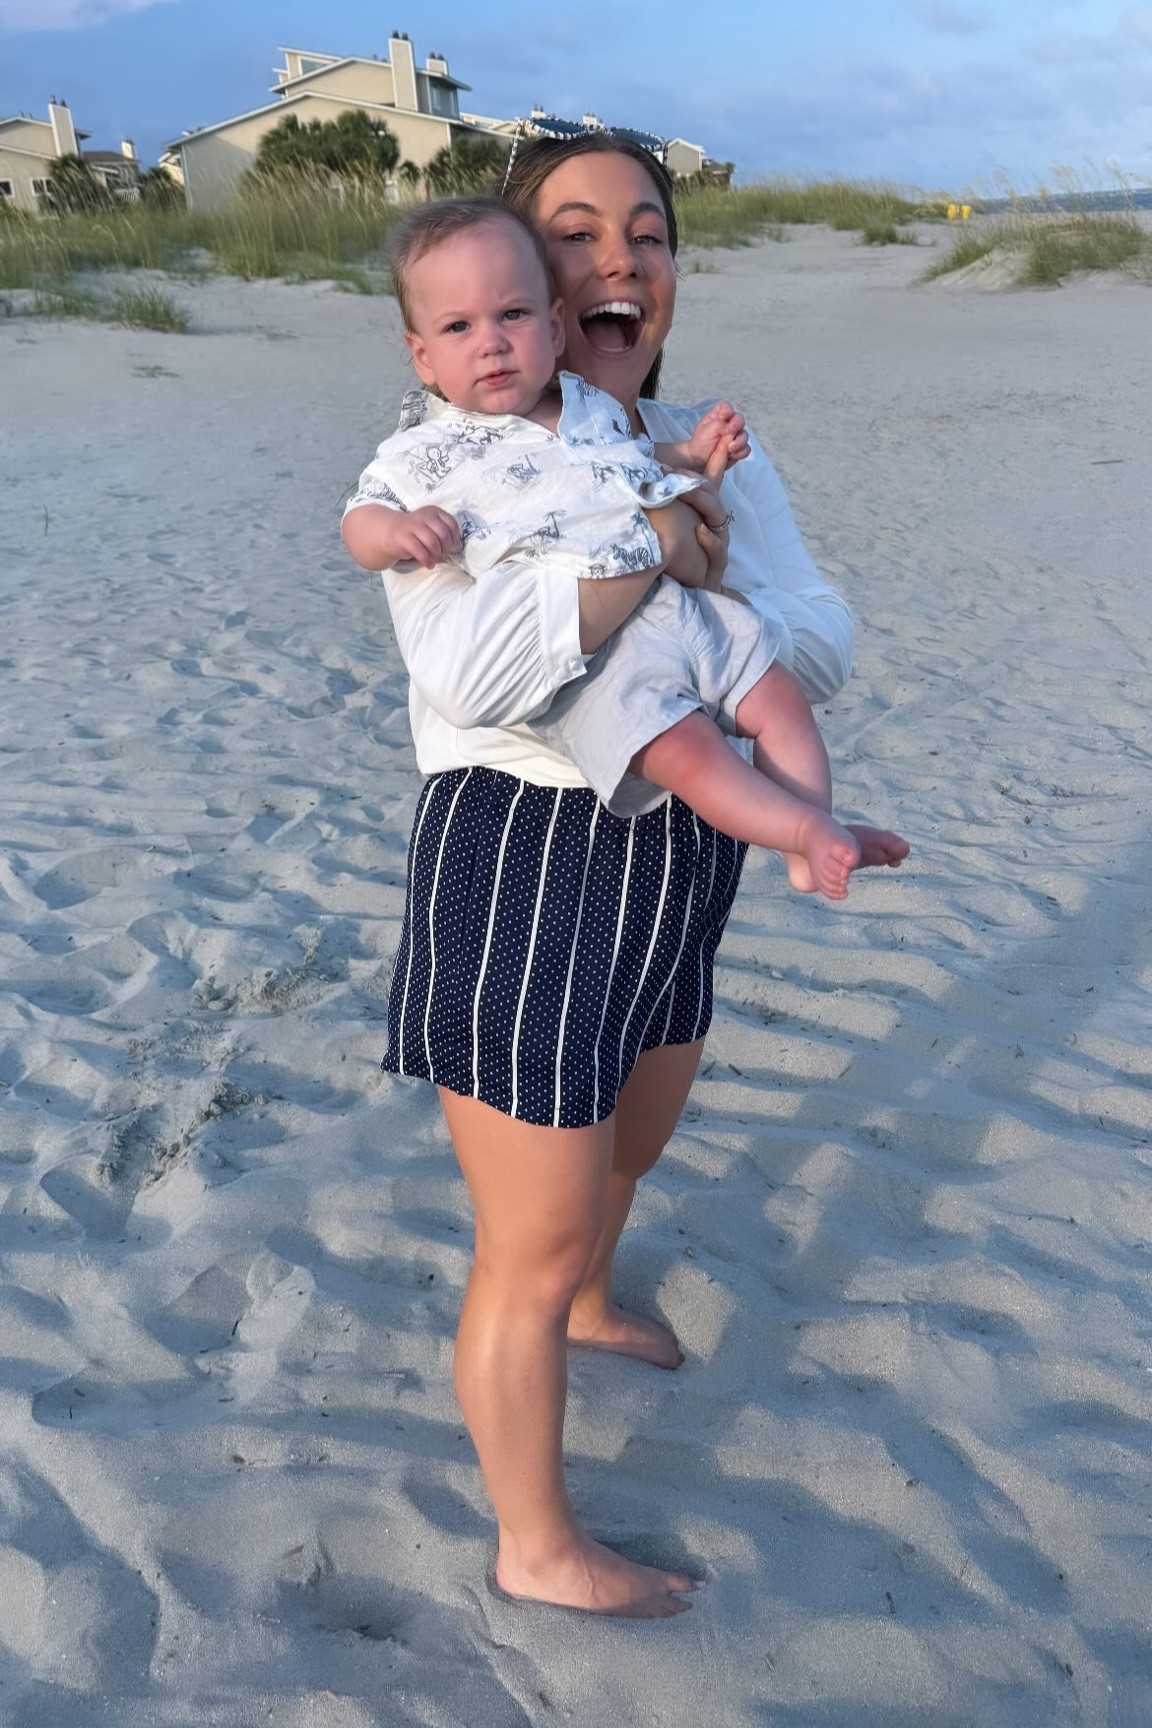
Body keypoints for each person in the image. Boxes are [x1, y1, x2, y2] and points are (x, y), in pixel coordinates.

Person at [347, 136, 897, 1618]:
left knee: (633, 1140)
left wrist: (685, 565)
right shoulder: (456, 458)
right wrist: (661, 552)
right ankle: (535, 1543)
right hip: (525, 850)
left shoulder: (664, 440)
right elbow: (477, 673)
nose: (617, 261)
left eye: (646, 232)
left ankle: (598, 1299)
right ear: (515, 272)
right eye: (576, 233)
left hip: (683, 840)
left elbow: (820, 637)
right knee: (523, 1237)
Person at [344, 197, 907, 900]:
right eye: (458, 326)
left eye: (512, 316)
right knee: (690, 751)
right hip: (603, 659)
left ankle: (812, 830)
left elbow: (635, 456)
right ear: (422, 356)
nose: (490, 341)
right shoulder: (427, 452)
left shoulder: (584, 406)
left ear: (551, 325)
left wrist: (692, 452)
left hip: (680, 614)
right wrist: (393, 534)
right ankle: (794, 832)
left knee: (780, 701)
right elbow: (362, 517)